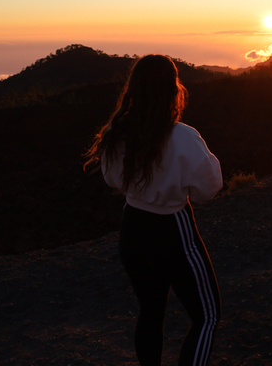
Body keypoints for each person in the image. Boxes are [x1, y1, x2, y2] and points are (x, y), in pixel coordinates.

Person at [84, 54, 223, 366]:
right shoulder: (183, 136)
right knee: (208, 316)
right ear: (172, 90)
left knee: (151, 310)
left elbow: (111, 178)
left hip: (133, 228)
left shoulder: (115, 134)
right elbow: (209, 188)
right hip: (173, 228)